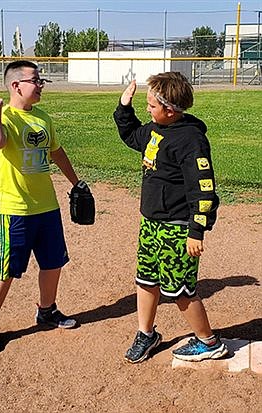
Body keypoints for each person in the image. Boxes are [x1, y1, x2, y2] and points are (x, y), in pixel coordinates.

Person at [113, 72, 228, 363]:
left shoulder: (191, 140)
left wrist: (196, 231)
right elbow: (130, 135)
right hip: (151, 223)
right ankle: (146, 333)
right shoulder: (155, 129)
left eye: (151, 106)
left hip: (177, 228)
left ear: (170, 110)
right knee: (146, 280)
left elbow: (203, 189)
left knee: (181, 290)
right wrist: (124, 107)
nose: (147, 110)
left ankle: (209, 342)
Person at [0, 60, 84, 353]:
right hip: (15, 208)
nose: (40, 85)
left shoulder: (43, 118)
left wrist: (75, 182)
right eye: (35, 80)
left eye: (40, 81)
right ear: (16, 86)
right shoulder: (7, 117)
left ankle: (46, 310)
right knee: (7, 266)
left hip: (46, 205)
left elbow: (56, 151)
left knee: (53, 262)